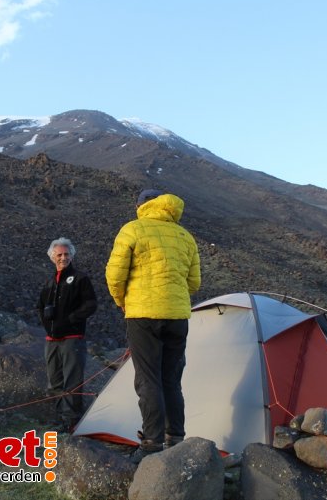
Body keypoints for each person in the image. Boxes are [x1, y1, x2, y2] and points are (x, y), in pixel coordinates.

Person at [105, 189, 201, 463]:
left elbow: (115, 274)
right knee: (171, 378)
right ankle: (176, 438)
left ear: (140, 206)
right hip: (178, 317)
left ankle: (151, 443)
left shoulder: (132, 230)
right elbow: (194, 283)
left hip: (143, 315)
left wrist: (121, 300)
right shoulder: (185, 236)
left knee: (148, 379)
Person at [37, 237, 97, 432]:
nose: (63, 257)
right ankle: (59, 418)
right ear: (52, 257)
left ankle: (71, 421)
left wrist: (71, 319)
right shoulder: (48, 282)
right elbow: (39, 306)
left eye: (66, 254)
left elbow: (91, 304)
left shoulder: (80, 278)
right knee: (54, 380)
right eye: (59, 254)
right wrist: (47, 324)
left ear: (72, 255)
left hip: (73, 337)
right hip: (52, 339)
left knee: (72, 380)